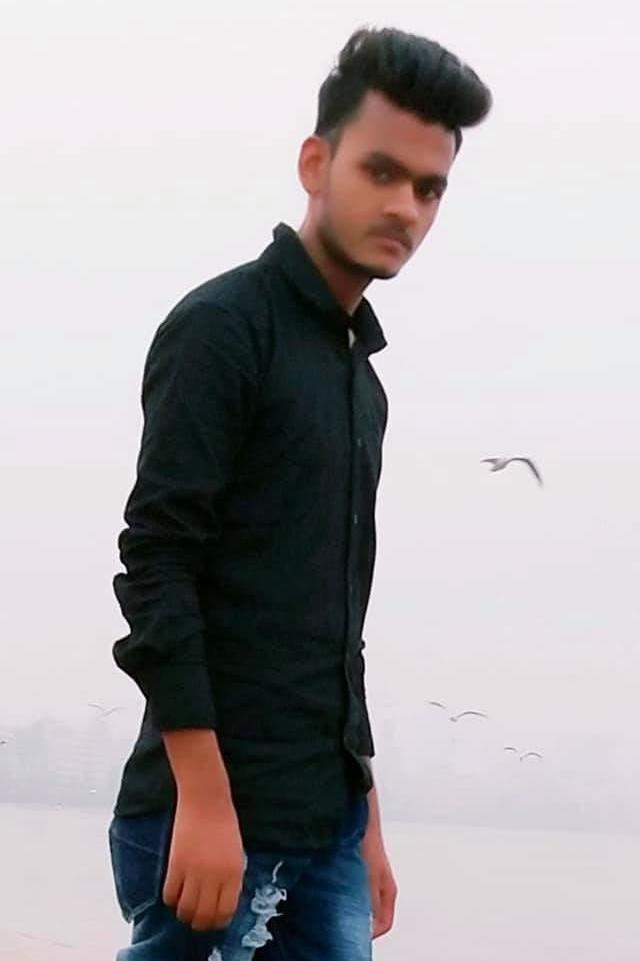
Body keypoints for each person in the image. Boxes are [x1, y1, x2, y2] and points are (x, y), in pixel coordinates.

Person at [107, 25, 492, 961]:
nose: (404, 206)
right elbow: (156, 563)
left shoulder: (363, 382)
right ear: (316, 163)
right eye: (381, 171)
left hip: (325, 827)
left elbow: (332, 622)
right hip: (215, 819)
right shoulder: (223, 329)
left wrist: (365, 818)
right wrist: (205, 799)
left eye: (429, 188)